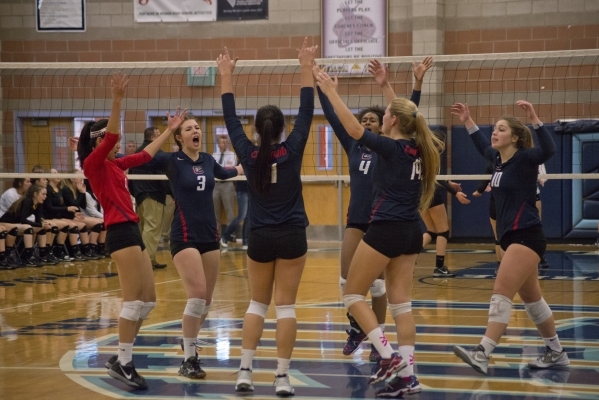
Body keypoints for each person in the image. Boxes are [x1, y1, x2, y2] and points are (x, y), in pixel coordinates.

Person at [315, 67, 442, 397]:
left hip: (386, 229)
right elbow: (405, 111)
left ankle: (388, 357)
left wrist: (330, 91)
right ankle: (408, 376)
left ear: (393, 122)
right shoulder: (419, 148)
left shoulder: (391, 149)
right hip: (412, 231)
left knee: (353, 295)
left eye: (386, 114)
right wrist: (389, 86)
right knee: (402, 306)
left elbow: (356, 129)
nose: (384, 116)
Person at [217, 38, 316, 396]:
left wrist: (226, 75)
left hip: (258, 235)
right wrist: (306, 66)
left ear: (257, 130)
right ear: (282, 129)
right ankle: (282, 377)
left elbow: (229, 117)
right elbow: (307, 110)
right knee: (285, 306)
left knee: (257, 304)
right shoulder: (292, 149)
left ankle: (245, 372)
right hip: (292, 235)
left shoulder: (246, 151)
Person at [77, 71, 186, 389]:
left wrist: (169, 131)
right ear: (99, 142)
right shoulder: (93, 164)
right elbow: (109, 137)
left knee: (148, 301)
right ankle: (124, 362)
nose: (118, 142)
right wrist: (117, 99)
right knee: (132, 302)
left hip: (132, 231)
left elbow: (146, 155)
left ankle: (120, 357)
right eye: (112, 139)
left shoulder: (115, 163)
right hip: (119, 232)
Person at [451, 101, 569, 375]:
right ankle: (556, 352)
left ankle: (483, 352)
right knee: (533, 300)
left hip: (526, 234)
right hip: (512, 237)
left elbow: (549, 150)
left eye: (501, 129)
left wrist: (535, 119)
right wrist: (468, 120)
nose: (495, 132)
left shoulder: (526, 159)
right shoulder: (496, 160)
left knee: (501, 293)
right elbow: (482, 145)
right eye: (495, 129)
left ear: (514, 137)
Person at [148, 115, 243, 379]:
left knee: (207, 301)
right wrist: (167, 132)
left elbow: (226, 172)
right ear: (180, 138)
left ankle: (187, 339)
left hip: (210, 235)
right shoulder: (172, 160)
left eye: (197, 127)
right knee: (197, 295)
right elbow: (143, 156)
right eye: (189, 129)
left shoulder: (209, 161)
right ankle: (189, 358)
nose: (195, 131)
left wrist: (249, 164)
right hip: (184, 235)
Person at [421, 130, 471, 278]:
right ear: (440, 143)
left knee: (431, 231)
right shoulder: (432, 154)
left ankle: (408, 257)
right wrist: (456, 193)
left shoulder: (421, 153)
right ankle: (439, 267)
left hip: (419, 194)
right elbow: (434, 178)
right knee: (443, 231)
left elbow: (432, 177)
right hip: (431, 194)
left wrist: (448, 182)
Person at [128, 127, 169, 269]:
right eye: (159, 135)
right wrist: (172, 192)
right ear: (154, 137)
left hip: (140, 196)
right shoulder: (156, 153)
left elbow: (130, 177)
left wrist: (136, 194)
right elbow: (164, 177)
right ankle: (144, 262)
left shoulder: (138, 152)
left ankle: (149, 259)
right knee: (152, 229)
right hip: (154, 195)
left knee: (145, 229)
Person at [44, 170, 93, 261]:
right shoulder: (56, 189)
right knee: (71, 226)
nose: (58, 174)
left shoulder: (59, 190)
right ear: (49, 177)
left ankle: (87, 250)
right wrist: (68, 209)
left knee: (82, 226)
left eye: (58, 172)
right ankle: (62, 251)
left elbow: (82, 206)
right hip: (53, 217)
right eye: (55, 173)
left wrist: (82, 193)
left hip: (61, 216)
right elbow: (50, 207)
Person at [0, 184, 53, 266]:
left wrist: (44, 224)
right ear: (35, 194)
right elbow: (23, 220)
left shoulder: (38, 203)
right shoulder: (27, 201)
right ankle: (28, 257)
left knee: (42, 229)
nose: (45, 196)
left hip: (16, 224)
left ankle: (43, 255)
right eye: (43, 194)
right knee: (28, 228)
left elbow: (39, 219)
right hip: (5, 223)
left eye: (46, 194)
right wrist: (40, 224)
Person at [62, 177, 105, 259]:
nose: (82, 178)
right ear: (72, 179)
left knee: (102, 223)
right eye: (79, 176)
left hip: (75, 215)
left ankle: (94, 248)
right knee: (99, 223)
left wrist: (83, 192)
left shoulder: (78, 190)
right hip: (68, 216)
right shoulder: (66, 190)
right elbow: (75, 205)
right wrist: (82, 193)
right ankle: (89, 249)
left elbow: (83, 205)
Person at [213, 135, 237, 246]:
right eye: (222, 142)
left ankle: (230, 234)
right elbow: (214, 170)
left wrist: (221, 169)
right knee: (215, 212)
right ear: (218, 144)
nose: (225, 144)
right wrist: (222, 169)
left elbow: (230, 169)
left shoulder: (232, 154)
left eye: (226, 142)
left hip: (227, 184)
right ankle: (216, 235)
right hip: (216, 185)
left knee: (230, 211)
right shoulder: (214, 155)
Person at [220, 163, 249, 250]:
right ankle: (225, 237)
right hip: (242, 191)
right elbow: (237, 172)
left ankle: (246, 242)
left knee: (249, 217)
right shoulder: (243, 159)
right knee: (242, 215)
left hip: (251, 190)